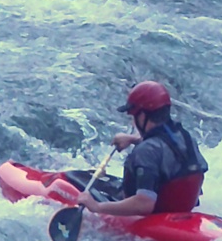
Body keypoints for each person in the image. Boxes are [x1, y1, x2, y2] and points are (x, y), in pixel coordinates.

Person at [78, 80, 208, 217]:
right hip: (181, 210)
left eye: (133, 115)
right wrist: (132, 139)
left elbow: (144, 204)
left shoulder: (146, 151)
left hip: (152, 214)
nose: (132, 121)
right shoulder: (185, 137)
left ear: (142, 116)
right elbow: (166, 146)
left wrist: (97, 207)